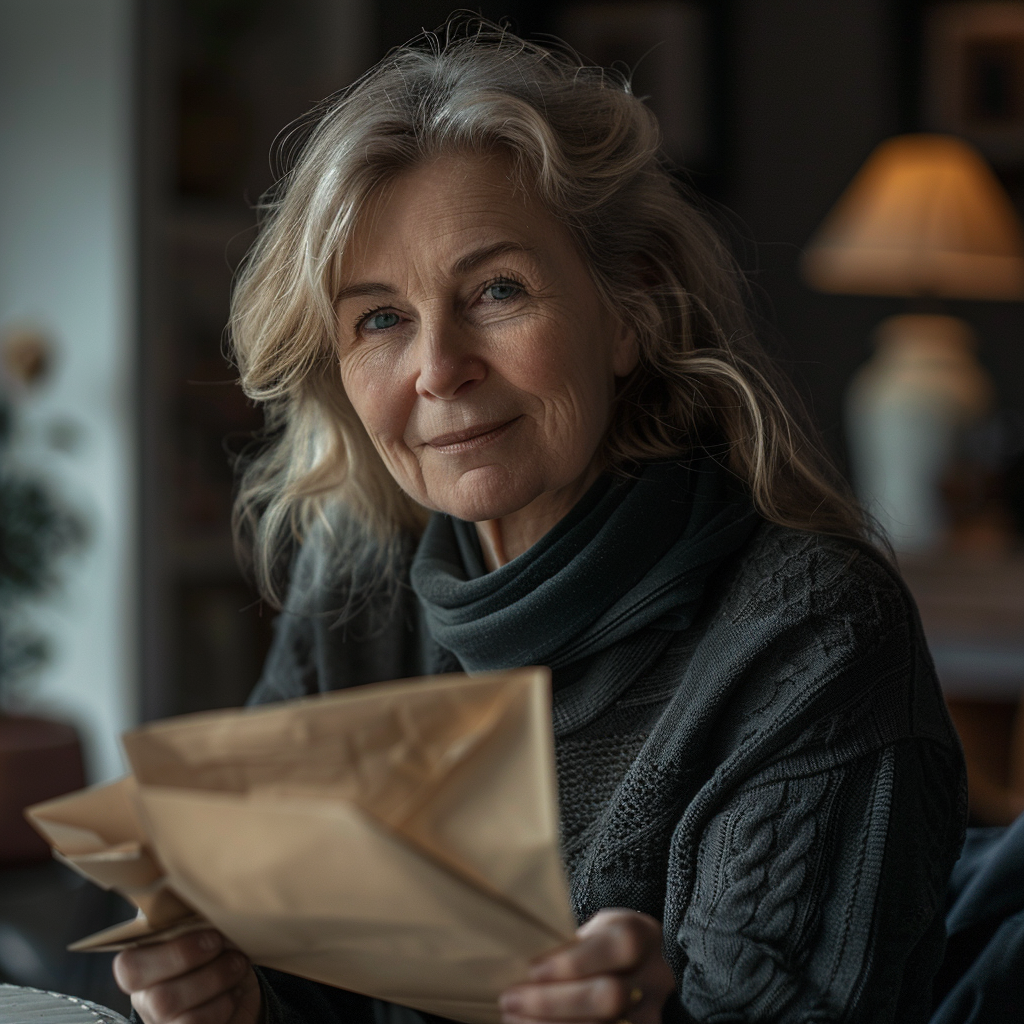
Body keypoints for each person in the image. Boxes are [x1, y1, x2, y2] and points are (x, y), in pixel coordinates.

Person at [113, 21, 967, 1024]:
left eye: (497, 291)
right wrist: (232, 1002)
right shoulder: (358, 589)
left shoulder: (810, 636)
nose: (438, 368)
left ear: (629, 311)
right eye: (380, 317)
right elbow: (300, 985)